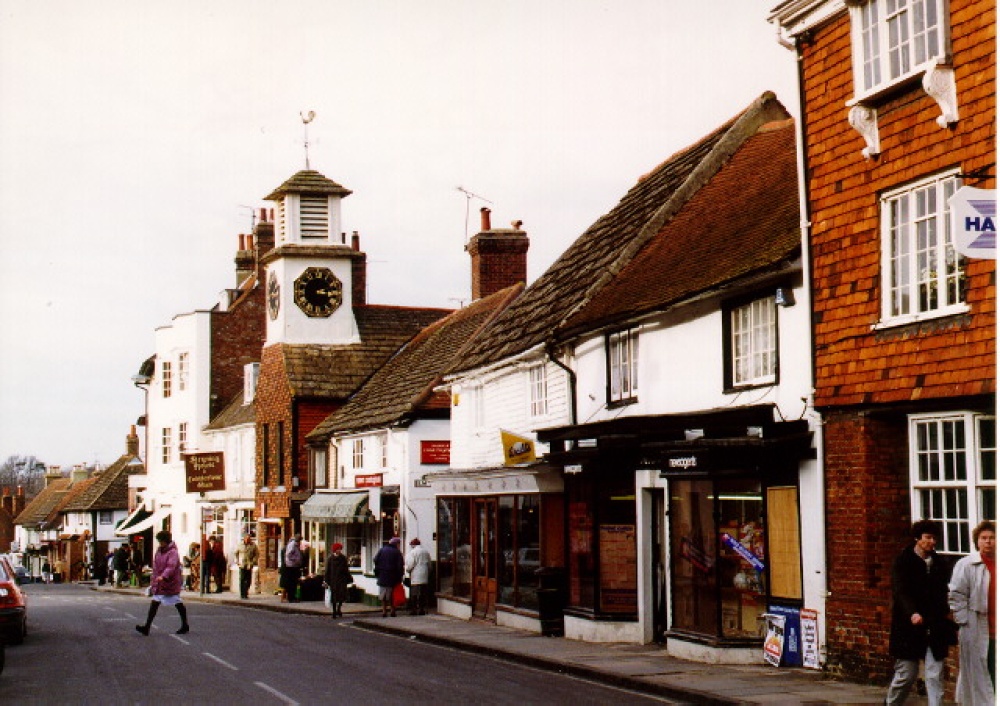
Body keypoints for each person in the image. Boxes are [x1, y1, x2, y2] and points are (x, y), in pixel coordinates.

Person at [886, 520, 953, 706]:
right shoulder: (903, 561)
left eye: (934, 538)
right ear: (917, 538)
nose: (932, 542)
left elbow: (944, 592)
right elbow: (901, 591)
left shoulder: (940, 563)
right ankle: (891, 703)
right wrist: (912, 613)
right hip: (909, 625)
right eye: (927, 537)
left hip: (934, 623)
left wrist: (944, 612)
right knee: (906, 675)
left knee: (935, 674)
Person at [949, 520, 996, 704]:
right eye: (984, 538)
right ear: (977, 541)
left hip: (996, 628)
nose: (988, 541)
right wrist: (964, 622)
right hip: (976, 628)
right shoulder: (967, 564)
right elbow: (956, 594)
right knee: (980, 675)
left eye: (992, 537)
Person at [135, 530, 189, 636]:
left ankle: (184, 625)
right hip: (160, 582)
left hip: (169, 582)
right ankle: (147, 627)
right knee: (156, 603)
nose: (160, 543)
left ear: (166, 541)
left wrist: (163, 576)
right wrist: (154, 578)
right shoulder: (159, 551)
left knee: (176, 602)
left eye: (161, 541)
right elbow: (156, 565)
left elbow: (171, 566)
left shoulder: (173, 552)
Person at [373, 537, 405, 618]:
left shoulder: (382, 550)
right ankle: (392, 611)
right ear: (396, 544)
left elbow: (375, 560)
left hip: (382, 575)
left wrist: (379, 569)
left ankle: (384, 611)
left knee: (383, 595)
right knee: (392, 595)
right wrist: (400, 576)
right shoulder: (397, 552)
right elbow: (400, 566)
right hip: (393, 576)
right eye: (399, 544)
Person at [323, 542, 353, 618]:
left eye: (340, 549)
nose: (339, 550)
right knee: (333, 597)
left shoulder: (343, 558)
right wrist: (326, 581)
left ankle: (339, 608)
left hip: (341, 579)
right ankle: (334, 611)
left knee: (341, 596)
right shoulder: (330, 559)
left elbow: (346, 569)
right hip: (333, 580)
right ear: (335, 550)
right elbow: (327, 571)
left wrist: (349, 578)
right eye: (338, 549)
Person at [405, 537, 431, 616]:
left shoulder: (412, 553)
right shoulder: (426, 552)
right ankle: (422, 609)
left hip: (415, 575)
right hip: (424, 574)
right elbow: (429, 564)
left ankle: (414, 610)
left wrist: (408, 570)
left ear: (413, 545)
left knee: (414, 594)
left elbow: (410, 564)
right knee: (423, 593)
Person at [281, 534, 304, 603]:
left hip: (294, 566)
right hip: (291, 566)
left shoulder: (295, 545)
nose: (300, 542)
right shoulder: (292, 545)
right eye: (300, 540)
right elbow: (288, 555)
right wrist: (296, 560)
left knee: (294, 583)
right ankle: (291, 598)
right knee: (292, 583)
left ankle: (292, 597)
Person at [235, 535, 259, 600]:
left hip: (249, 565)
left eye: (249, 539)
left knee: (248, 580)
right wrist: (236, 561)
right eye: (246, 539)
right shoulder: (240, 545)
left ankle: (246, 591)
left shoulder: (253, 546)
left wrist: (253, 562)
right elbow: (236, 553)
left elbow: (256, 555)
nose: (248, 540)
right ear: (244, 539)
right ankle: (242, 594)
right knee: (242, 579)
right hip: (242, 564)